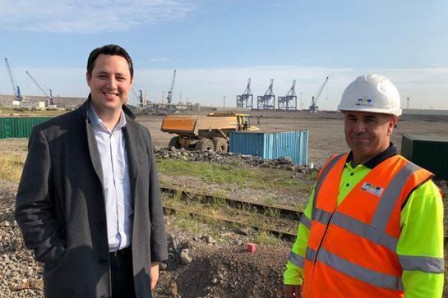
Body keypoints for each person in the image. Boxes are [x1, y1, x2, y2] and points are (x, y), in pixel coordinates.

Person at [15, 44, 168, 298]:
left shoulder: (140, 135)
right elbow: (30, 206)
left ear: (130, 83)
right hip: (78, 270)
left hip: (133, 267)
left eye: (120, 77)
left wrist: (154, 258)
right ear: (88, 79)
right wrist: (58, 255)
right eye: (102, 75)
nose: (112, 84)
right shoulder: (51, 136)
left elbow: (153, 201)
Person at [283, 74, 444, 297]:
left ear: (391, 124)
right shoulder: (331, 167)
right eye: (351, 118)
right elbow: (308, 229)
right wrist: (293, 272)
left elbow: (424, 276)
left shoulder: (416, 189)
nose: (359, 128)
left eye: (370, 119)